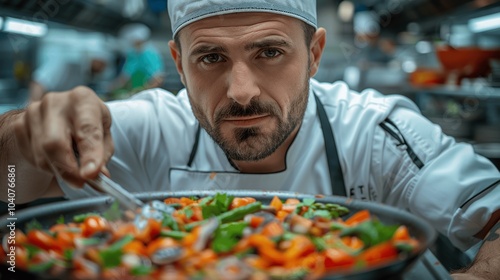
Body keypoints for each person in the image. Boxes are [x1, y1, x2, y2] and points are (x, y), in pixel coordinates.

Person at [0, 0, 498, 278]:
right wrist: (19, 138)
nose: (241, 93)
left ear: (315, 54)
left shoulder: (377, 134)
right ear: (178, 63)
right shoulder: (148, 129)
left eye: (270, 52)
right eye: (211, 58)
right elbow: (13, 194)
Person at [108, 23, 165, 95]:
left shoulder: (150, 53)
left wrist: (145, 91)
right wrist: (112, 87)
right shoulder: (132, 54)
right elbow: (126, 74)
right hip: (134, 90)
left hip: (148, 91)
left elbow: (158, 77)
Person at [29, 50, 108, 102]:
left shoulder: (87, 75)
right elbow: (39, 83)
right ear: (96, 59)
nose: (103, 69)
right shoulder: (69, 64)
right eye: (103, 64)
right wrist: (33, 108)